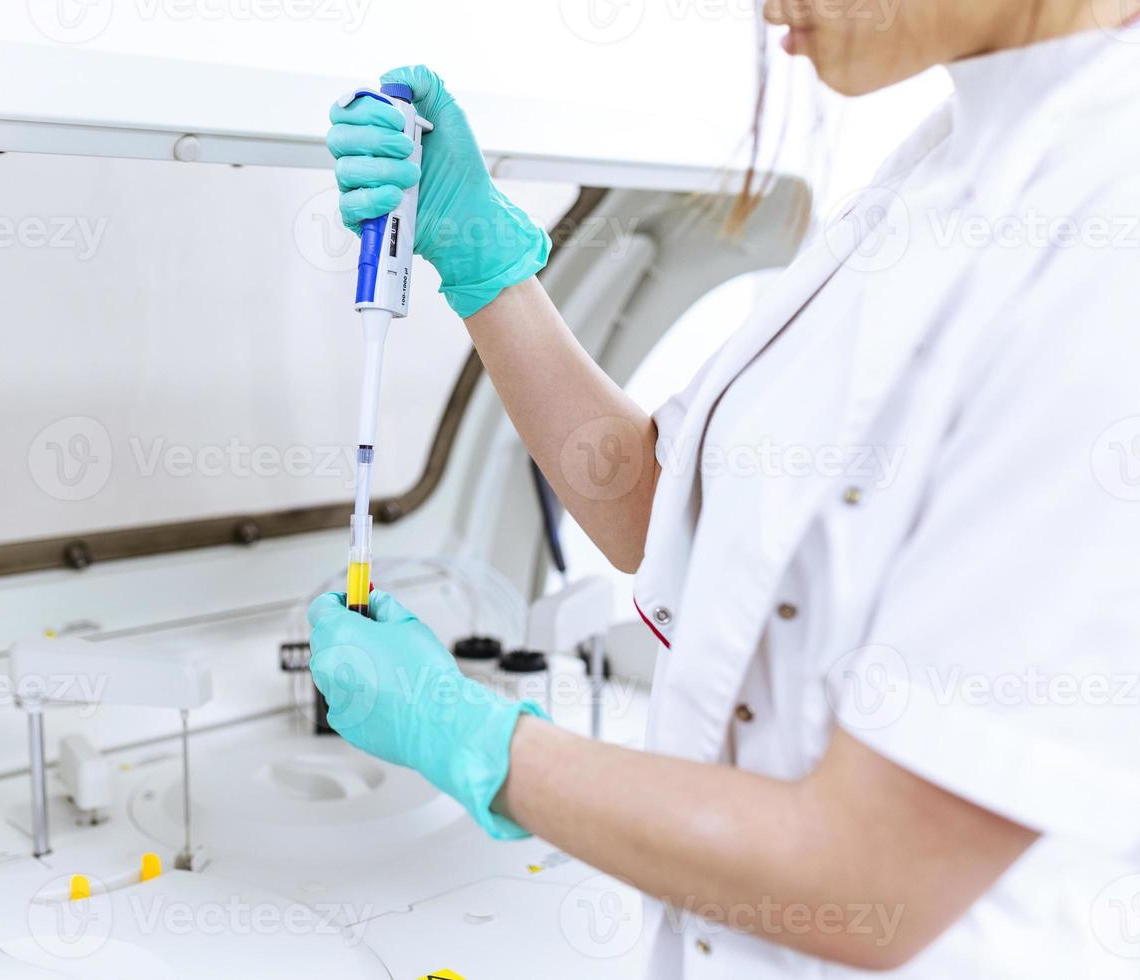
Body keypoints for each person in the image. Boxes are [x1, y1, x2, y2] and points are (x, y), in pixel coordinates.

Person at [308, 2, 1140, 975]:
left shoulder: (1103, 239)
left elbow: (870, 877)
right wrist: (484, 264)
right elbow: (666, 513)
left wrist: (476, 740)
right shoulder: (945, 161)